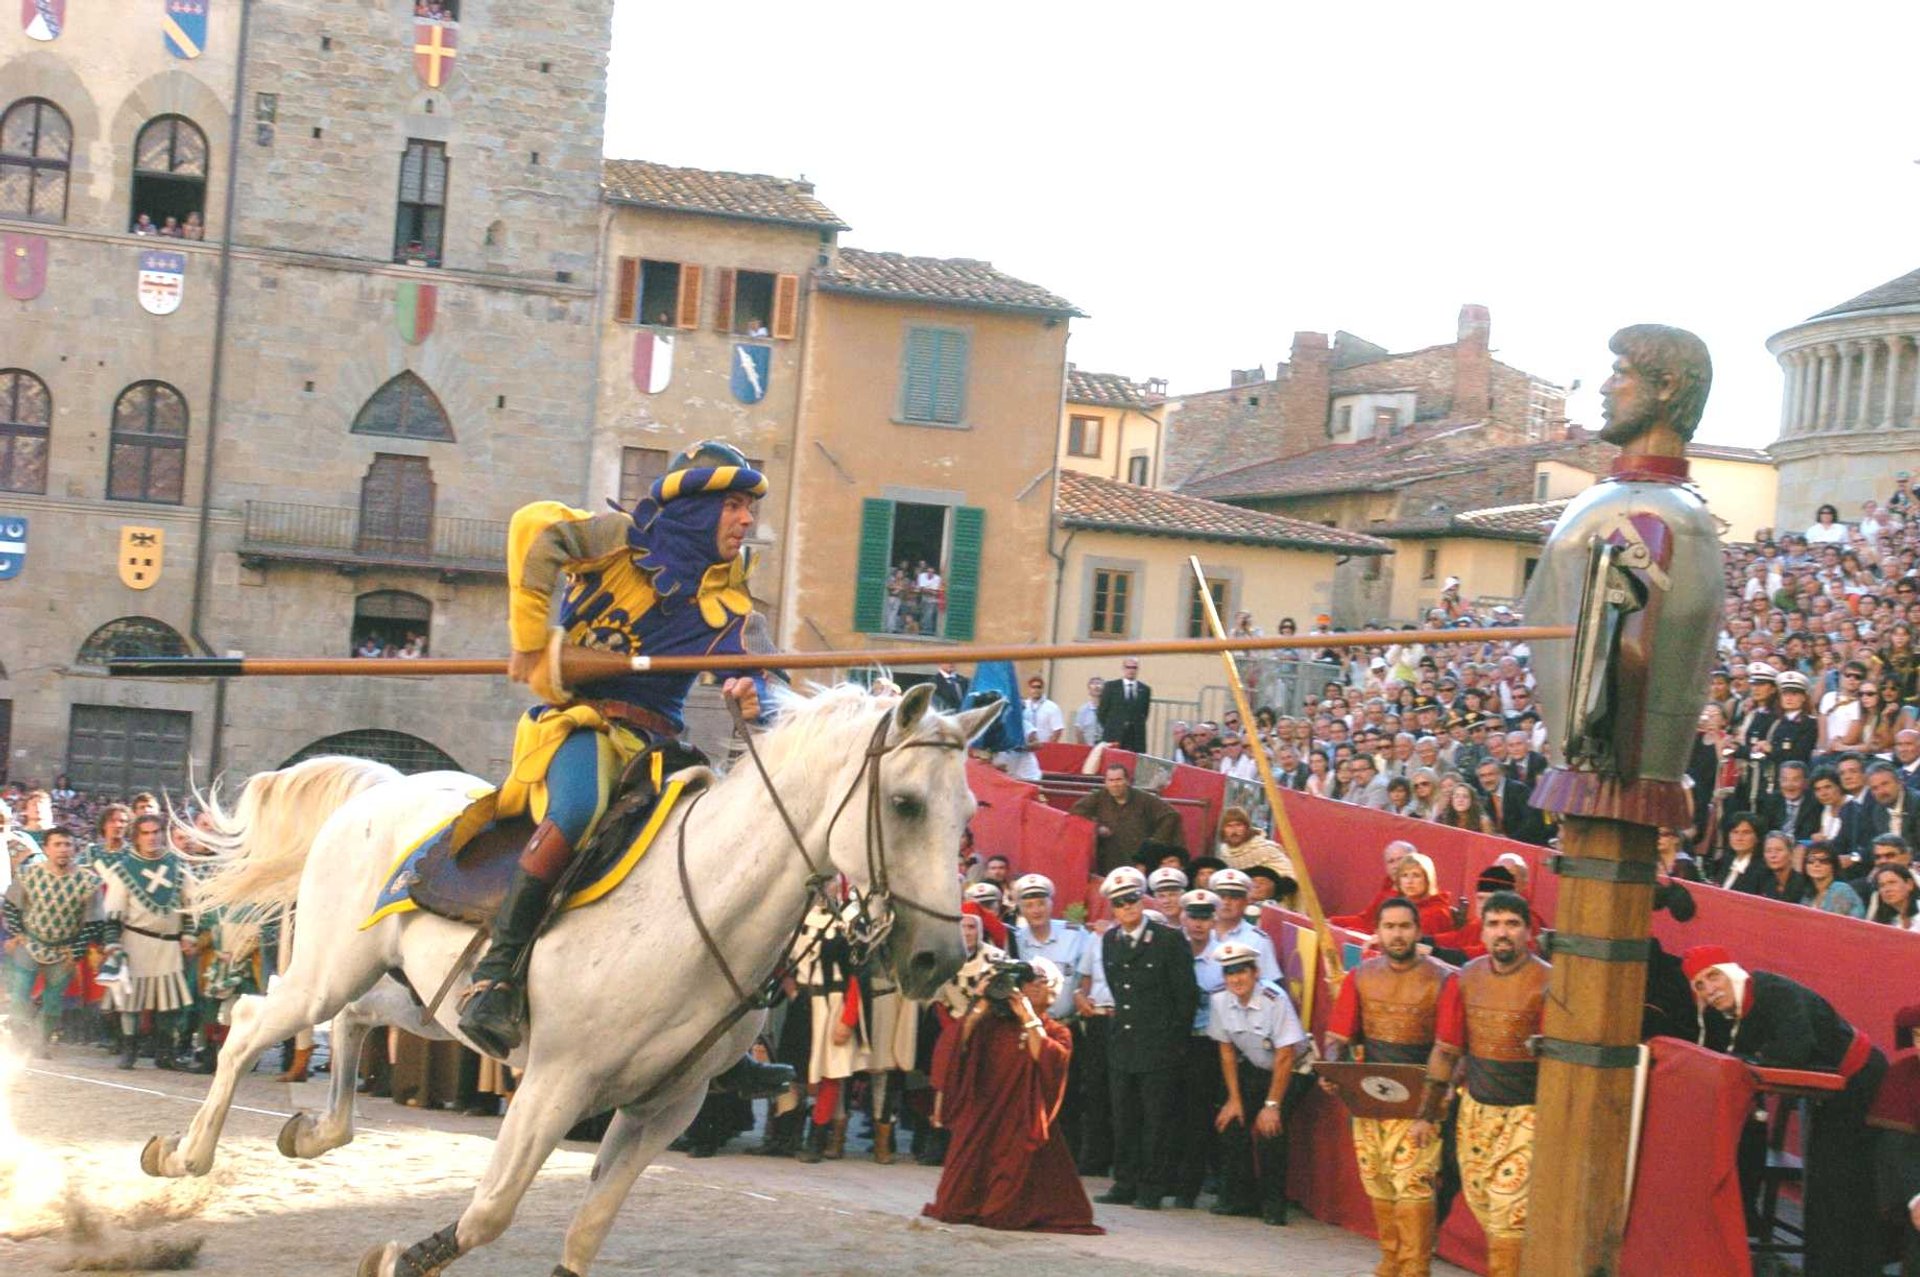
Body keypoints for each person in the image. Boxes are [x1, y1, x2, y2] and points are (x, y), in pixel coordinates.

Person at [455, 440, 788, 1105]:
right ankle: (496, 972)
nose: (747, 520)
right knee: (578, 809)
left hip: (661, 745)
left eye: (749, 507)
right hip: (583, 725)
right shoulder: (615, 540)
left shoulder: (727, 597)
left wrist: (761, 698)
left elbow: (757, 672)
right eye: (733, 505)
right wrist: (530, 640)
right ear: (693, 506)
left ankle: (732, 1031)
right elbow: (537, 530)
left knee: (730, 852)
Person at [1685, 944, 1888, 1277]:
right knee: (1827, 1188)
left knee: (1841, 1186)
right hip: (1831, 1092)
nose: (1710, 990)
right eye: (1700, 986)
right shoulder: (1739, 1012)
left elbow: (1795, 1048)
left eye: (1713, 977)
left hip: (1862, 1081)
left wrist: (1754, 1060)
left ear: (1731, 971)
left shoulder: (1770, 990)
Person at [920, 957, 1102, 1234]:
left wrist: (1028, 1018)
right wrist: (981, 1001)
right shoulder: (992, 1023)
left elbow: (1049, 1058)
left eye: (1041, 983)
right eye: (1027, 982)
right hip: (983, 1115)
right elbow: (957, 1044)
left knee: (1002, 1213)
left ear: (1054, 993)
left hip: (1022, 1121)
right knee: (951, 1206)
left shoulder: (1057, 1030)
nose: (1031, 988)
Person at [1419, 891, 1548, 1277]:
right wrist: (1426, 1113)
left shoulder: (1550, 981)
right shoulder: (1466, 978)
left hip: (1529, 1115)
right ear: (1483, 929)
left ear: (1529, 931)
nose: (1502, 933)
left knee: (1509, 1208)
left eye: (1512, 924)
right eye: (1494, 924)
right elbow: (1445, 1051)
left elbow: (1559, 1064)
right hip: (1476, 1111)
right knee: (1484, 1205)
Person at [1322, 896, 1450, 1276]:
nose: (1397, 934)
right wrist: (1335, 1071)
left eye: (1404, 926)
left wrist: (1432, 1107)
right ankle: (1391, 1262)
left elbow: (1450, 1049)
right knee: (1378, 1184)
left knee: (1414, 1187)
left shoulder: (1443, 978)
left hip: (1421, 1099)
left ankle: (1414, 1269)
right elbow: (1337, 1036)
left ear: (1418, 931)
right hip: (1371, 1100)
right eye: (1390, 927)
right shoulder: (1362, 976)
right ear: (1377, 932)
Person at [1089, 866, 1197, 1211]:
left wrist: (1174, 1041)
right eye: (1120, 903)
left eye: (1133, 899)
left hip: (1160, 1043)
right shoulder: (1110, 940)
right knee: (1124, 1117)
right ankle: (1125, 1182)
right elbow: (1119, 991)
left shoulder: (1168, 939)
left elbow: (1186, 996)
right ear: (1113, 909)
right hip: (1125, 1041)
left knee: (1157, 1120)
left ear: (1142, 899)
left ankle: (1151, 1188)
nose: (1128, 908)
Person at [1208, 940, 1309, 1228]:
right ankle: (1242, 1199)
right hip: (1256, 1068)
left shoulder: (1273, 999)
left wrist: (1272, 1106)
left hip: (1294, 1070)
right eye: (1229, 973)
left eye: (1242, 971)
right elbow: (1226, 1050)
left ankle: (1274, 1205)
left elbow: (1286, 1055)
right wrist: (1234, 1099)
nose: (1236, 979)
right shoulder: (1219, 1000)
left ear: (1256, 972)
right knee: (1230, 1122)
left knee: (1269, 1130)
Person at [97, 813, 198, 1070]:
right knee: (131, 1001)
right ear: (136, 837)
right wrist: (113, 945)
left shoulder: (178, 868)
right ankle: (129, 1049)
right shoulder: (124, 870)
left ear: (163, 834)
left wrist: (188, 935)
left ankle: (165, 1053)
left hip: (168, 945)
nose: (152, 837)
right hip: (135, 942)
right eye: (146, 833)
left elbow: (191, 907)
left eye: (156, 832)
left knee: (169, 1002)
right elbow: (112, 914)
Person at [3, 828, 103, 1056]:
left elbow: (94, 922)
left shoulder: (89, 882)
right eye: (57, 844)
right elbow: (10, 905)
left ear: (75, 849)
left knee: (53, 1002)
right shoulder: (28, 874)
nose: (63, 849)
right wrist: (18, 933)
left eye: (68, 844)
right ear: (46, 849)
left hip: (63, 949)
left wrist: (77, 952)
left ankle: (40, 1043)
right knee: (20, 992)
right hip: (30, 941)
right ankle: (18, 1038)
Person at [1069, 764, 1184, 876]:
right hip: (1109, 858)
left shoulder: (1143, 799)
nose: (1115, 784)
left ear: (1127, 781)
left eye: (1119, 780)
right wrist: (1097, 828)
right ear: (1106, 782)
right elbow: (1076, 811)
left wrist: (1154, 844)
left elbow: (1171, 815)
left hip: (1137, 860)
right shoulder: (1100, 797)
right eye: (1111, 780)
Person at [1096, 659, 1152, 753]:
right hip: (1114, 736)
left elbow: (1144, 713)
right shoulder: (1111, 687)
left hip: (1135, 738)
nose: (1131, 670)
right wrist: (1113, 727)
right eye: (1128, 667)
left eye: (1134, 667)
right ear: (1123, 668)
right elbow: (1102, 712)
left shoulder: (1144, 689)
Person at [1800, 843, 1865, 916]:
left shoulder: (1841, 889)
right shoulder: (1807, 896)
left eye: (1824, 860)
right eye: (1811, 860)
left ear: (1833, 865)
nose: (1816, 864)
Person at [1022, 675, 1064, 747]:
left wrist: (1049, 746)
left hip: (1044, 747)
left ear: (1043, 689)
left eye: (1039, 687)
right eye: (1033, 687)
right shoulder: (1023, 706)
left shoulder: (1052, 707)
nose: (1036, 690)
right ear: (1029, 689)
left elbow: (1058, 730)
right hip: (1027, 748)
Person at [1073, 677, 1105, 745]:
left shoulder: (1110, 709)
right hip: (1088, 749)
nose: (1097, 687)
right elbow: (1079, 732)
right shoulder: (1083, 710)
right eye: (1093, 684)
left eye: (1099, 684)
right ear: (1089, 690)